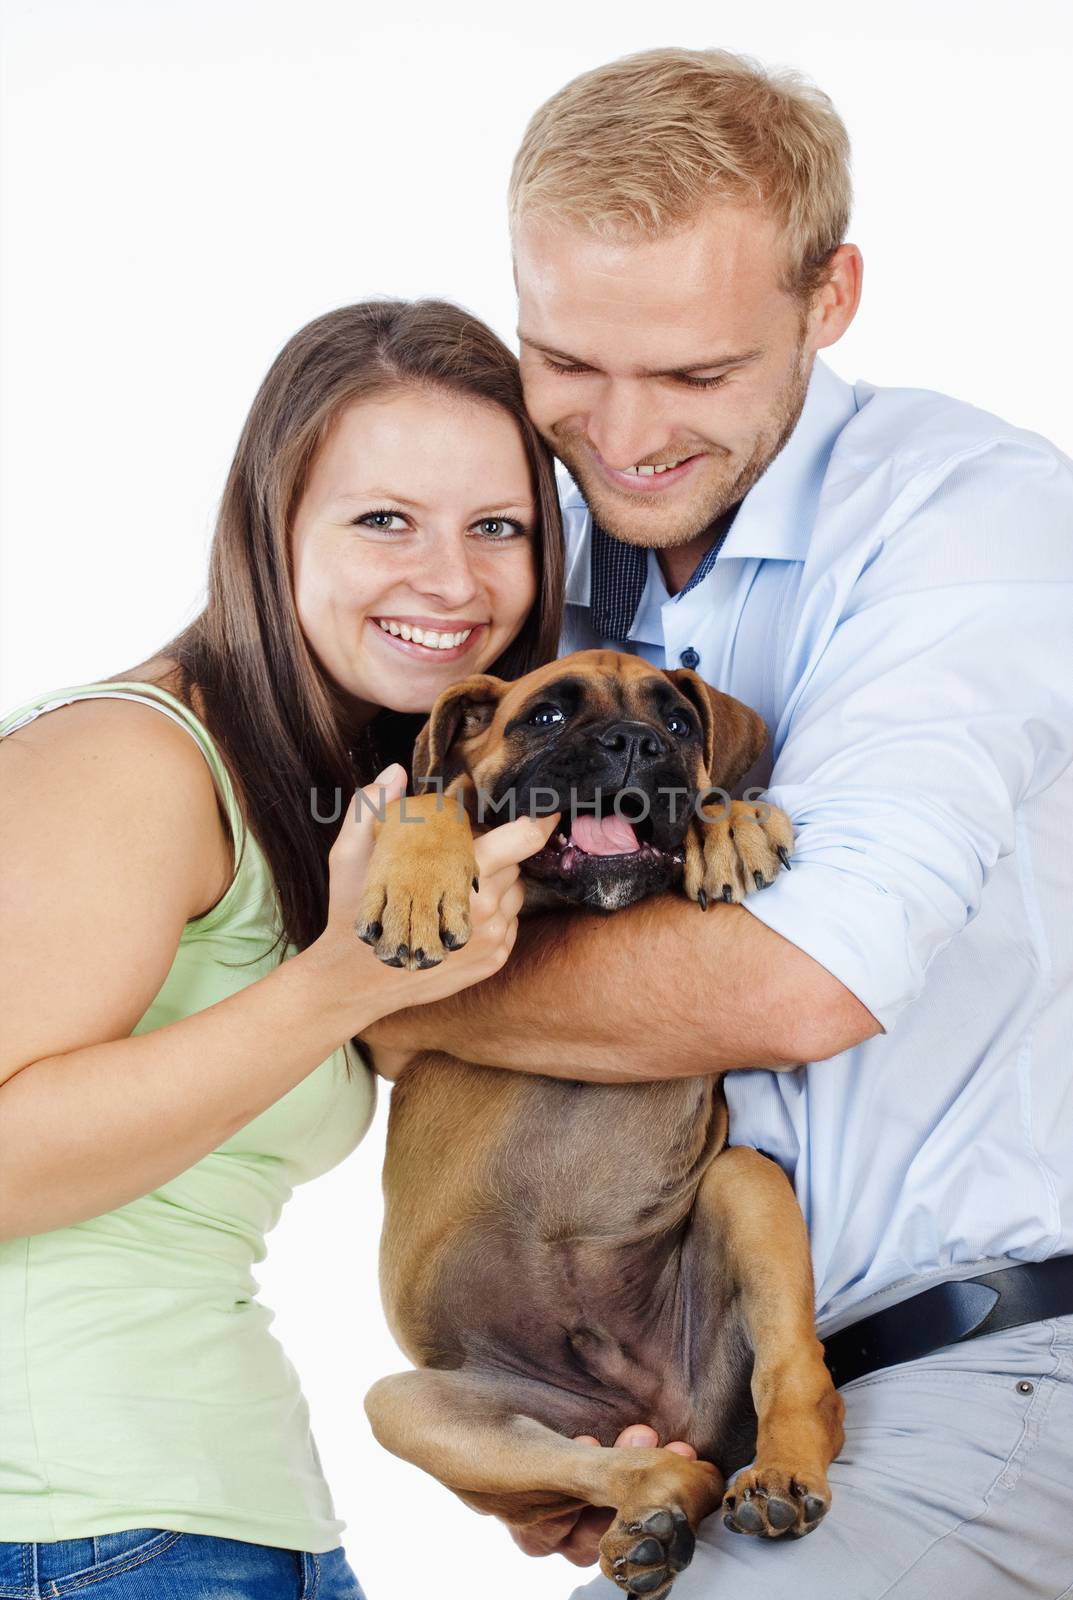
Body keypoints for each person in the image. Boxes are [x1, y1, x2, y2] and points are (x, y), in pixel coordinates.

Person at [362, 48, 1073, 1599]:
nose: (619, 436)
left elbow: (794, 984)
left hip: (964, 1365)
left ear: (829, 299)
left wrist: (398, 993)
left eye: (693, 375)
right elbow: (336, 906)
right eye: (565, 361)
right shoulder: (529, 547)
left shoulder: (971, 521)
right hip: (674, 1404)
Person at [0, 298, 565, 1598]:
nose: (452, 579)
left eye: (498, 527)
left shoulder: (348, 807)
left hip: (230, 1519)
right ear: (272, 524)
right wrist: (340, 982)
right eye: (384, 520)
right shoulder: (127, 761)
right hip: (72, 1523)